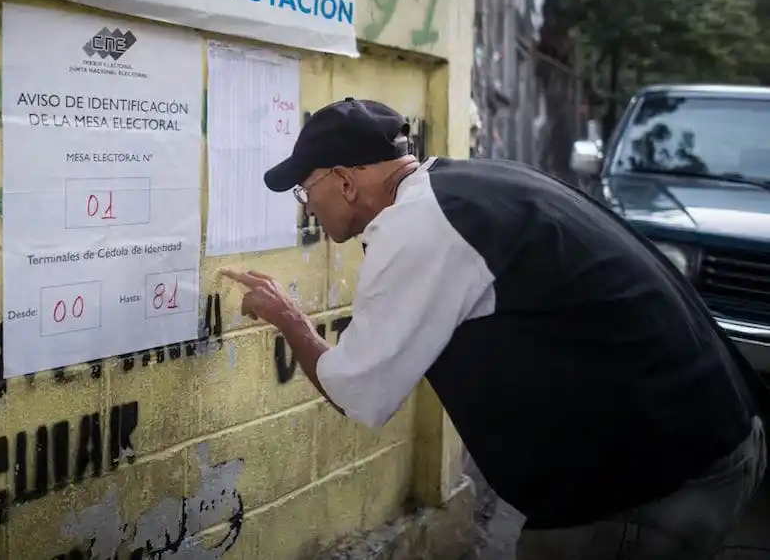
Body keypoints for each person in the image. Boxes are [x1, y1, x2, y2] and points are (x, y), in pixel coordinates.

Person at [221, 97, 768, 560]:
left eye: (304, 188)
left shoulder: (418, 227)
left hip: (648, 483)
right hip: (707, 438)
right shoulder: (461, 187)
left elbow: (357, 391)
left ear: (343, 181)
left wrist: (287, 318)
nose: (306, 205)